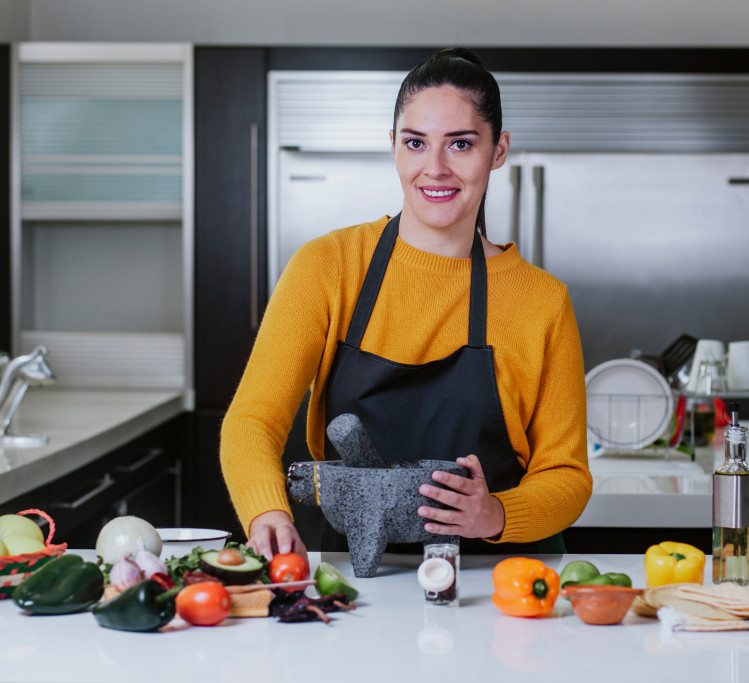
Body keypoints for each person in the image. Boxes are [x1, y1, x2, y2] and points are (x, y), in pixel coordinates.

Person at [221, 47, 592, 563]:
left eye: (460, 145)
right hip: (361, 571)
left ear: (498, 150)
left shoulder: (541, 301)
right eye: (416, 143)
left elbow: (566, 475)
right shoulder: (328, 267)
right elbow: (252, 420)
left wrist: (497, 514)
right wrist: (267, 513)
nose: (434, 168)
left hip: (499, 576)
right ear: (393, 145)